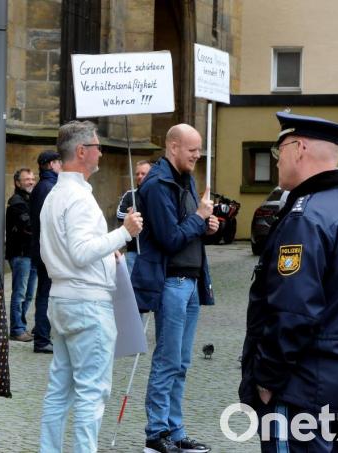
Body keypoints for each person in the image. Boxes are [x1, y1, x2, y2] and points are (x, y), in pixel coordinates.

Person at [239, 112, 338, 453]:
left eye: (279, 151)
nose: (277, 161)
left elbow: (293, 312)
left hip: (300, 388)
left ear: (299, 148)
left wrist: (266, 379)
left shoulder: (306, 218)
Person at [38, 120, 143, 452]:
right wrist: (124, 233)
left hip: (62, 298)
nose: (101, 153)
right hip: (86, 302)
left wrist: (107, 248)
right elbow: (82, 252)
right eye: (97, 147)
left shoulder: (56, 194)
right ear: (82, 151)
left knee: (60, 390)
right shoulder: (78, 197)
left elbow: (66, 249)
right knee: (91, 392)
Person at [131, 124, 218, 453]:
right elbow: (169, 238)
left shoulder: (186, 179)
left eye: (199, 149)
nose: (198, 155)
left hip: (191, 281)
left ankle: (176, 430)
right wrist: (199, 217)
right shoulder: (157, 184)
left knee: (181, 362)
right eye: (192, 150)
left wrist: (206, 224)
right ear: (173, 147)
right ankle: (156, 434)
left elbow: (188, 226)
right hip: (171, 282)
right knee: (167, 360)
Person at [29, 149, 62, 353]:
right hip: (47, 250)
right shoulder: (49, 187)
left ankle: (42, 334)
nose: (61, 166)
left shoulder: (45, 186)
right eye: (58, 162)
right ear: (51, 164)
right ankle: (41, 338)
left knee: (45, 292)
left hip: (43, 249)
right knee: (46, 294)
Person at [6, 167, 38, 342]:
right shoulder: (17, 203)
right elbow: (28, 226)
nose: (31, 182)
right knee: (20, 293)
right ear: (18, 183)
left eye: (32, 179)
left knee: (28, 294)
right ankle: (17, 329)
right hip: (20, 254)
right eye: (27, 179)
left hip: (31, 254)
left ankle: (21, 326)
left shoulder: (29, 200)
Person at [116, 159, 153, 274]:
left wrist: (136, 214)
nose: (139, 176)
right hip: (133, 251)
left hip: (152, 251)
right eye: (137, 174)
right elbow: (119, 214)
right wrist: (133, 216)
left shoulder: (157, 195)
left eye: (143, 173)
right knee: (132, 284)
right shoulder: (130, 195)